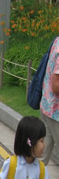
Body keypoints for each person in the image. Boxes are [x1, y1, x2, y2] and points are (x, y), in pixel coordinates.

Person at [40, 36, 59, 165]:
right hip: (56, 113)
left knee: (40, 157)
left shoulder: (57, 40)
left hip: (46, 106)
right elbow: (56, 85)